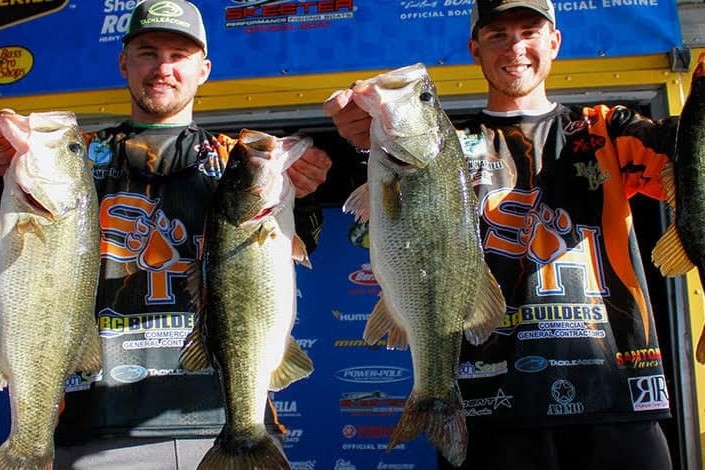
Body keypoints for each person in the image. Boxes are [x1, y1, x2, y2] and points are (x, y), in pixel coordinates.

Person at [323, 0, 696, 468]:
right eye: (498, 35)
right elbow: (349, 191)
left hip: (618, 395)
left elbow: (688, 158)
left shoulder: (607, 130)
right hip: (489, 405)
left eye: (529, 32)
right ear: (474, 49)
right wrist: (359, 141)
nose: (515, 47)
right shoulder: (448, 148)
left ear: (554, 43)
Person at [0, 0, 331, 468]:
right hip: (98, 431)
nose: (163, 68)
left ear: (204, 70)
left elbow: (296, 245)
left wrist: (307, 193)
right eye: (148, 53)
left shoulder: (238, 159)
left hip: (226, 418)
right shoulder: (76, 159)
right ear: (123, 63)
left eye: (179, 56)